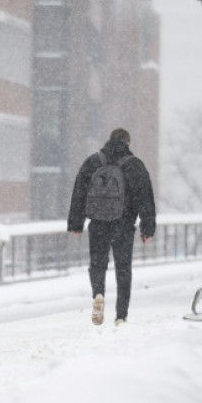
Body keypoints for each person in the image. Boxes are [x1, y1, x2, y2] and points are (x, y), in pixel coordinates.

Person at [67, 128, 156, 326]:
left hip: (98, 224)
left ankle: (98, 294)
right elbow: (145, 199)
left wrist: (76, 223)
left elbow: (79, 192)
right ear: (128, 143)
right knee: (123, 269)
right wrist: (147, 228)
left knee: (98, 264)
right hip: (124, 225)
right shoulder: (135, 165)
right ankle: (121, 315)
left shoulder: (93, 162)